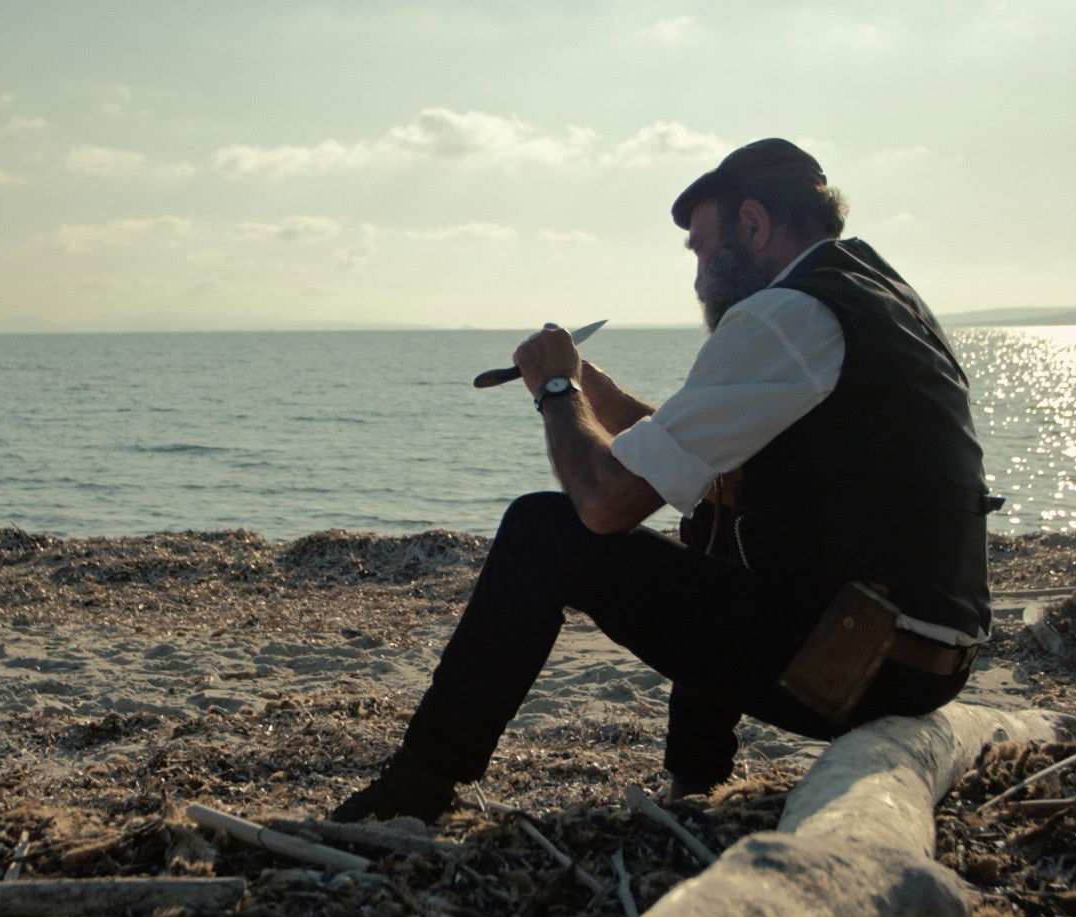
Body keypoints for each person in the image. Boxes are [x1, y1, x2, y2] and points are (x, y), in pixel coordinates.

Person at [330, 138, 998, 823]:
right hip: (920, 657)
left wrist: (556, 391)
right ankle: (696, 782)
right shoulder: (873, 297)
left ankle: (417, 788)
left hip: (857, 666)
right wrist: (590, 386)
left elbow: (605, 504)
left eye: (702, 249)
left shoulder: (787, 315)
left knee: (541, 533)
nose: (699, 276)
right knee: (710, 510)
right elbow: (697, 451)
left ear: (753, 223)